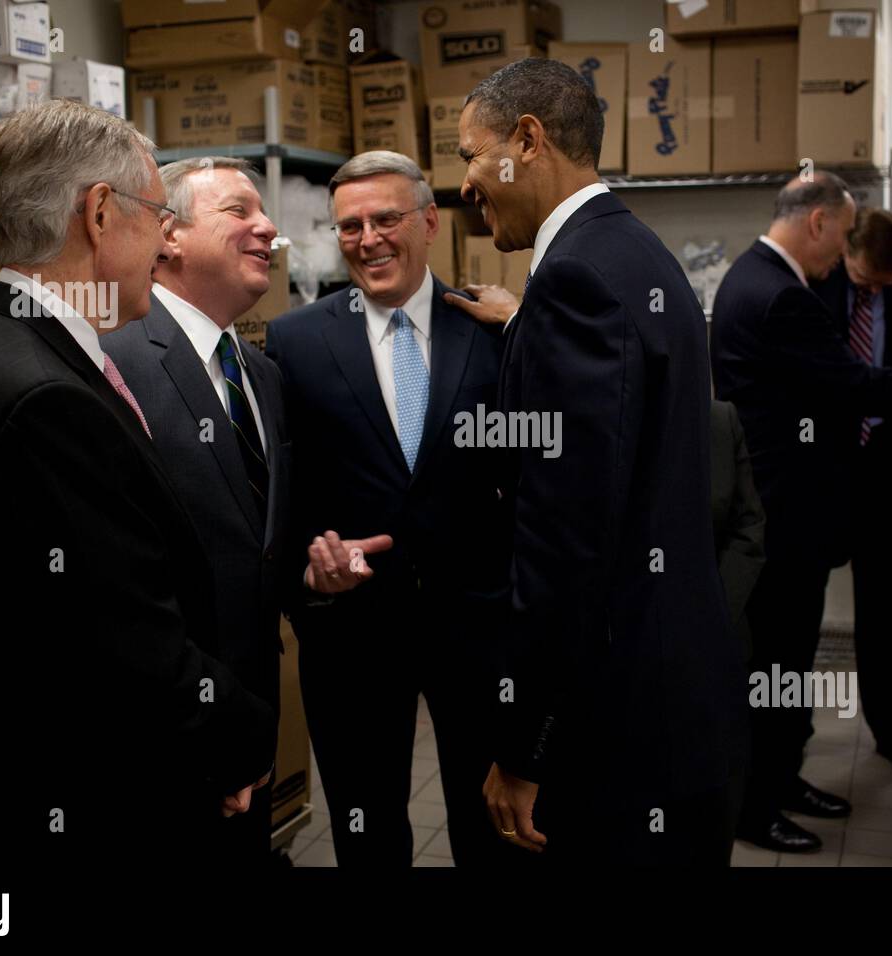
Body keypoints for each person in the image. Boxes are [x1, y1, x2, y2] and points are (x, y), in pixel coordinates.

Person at [0, 100, 275, 869]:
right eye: (157, 215)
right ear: (101, 214)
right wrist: (237, 736)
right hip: (101, 811)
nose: (165, 240)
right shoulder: (45, 396)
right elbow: (125, 643)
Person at [459, 58, 750, 865]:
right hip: (680, 703)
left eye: (470, 158)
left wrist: (524, 750)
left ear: (528, 139)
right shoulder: (634, 256)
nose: (465, 189)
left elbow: (567, 541)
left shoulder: (576, 280)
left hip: (616, 730)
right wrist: (524, 330)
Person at [264, 150, 512, 867]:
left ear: (429, 221)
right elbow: (290, 484)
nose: (367, 239)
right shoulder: (296, 340)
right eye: (349, 227)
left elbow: (528, 477)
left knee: (489, 823)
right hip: (355, 633)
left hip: (477, 624)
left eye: (385, 219)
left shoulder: (491, 328)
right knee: (367, 828)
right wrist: (314, 568)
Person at [710, 173, 892, 853]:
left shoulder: (748, 276)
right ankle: (755, 805)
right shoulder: (783, 294)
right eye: (839, 246)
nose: (837, 267)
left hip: (796, 506)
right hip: (784, 513)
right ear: (821, 223)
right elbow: (848, 384)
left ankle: (782, 780)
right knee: (775, 667)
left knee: (788, 659)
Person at [101, 157, 289, 866]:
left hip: (251, 730)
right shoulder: (116, 362)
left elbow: (256, 544)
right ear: (169, 235)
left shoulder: (262, 375)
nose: (267, 226)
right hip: (171, 748)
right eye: (239, 211)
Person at [810, 208, 892, 783]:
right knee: (802, 603)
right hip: (829, 470)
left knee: (884, 607)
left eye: (883, 285)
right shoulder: (820, 283)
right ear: (847, 254)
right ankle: (793, 732)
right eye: (866, 279)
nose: (872, 290)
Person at [709, 400, 768, 661]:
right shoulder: (615, 424)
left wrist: (717, 607)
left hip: (718, 619)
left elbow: (748, 526)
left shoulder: (719, 421)